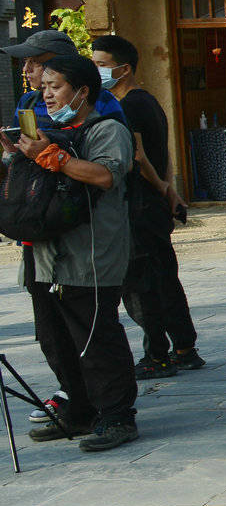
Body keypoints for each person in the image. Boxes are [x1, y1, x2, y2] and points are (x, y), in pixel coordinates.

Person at [17, 53, 140, 451]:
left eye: (55, 87)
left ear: (83, 91)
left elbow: (104, 174)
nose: (46, 95)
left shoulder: (106, 130)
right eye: (44, 88)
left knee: (94, 337)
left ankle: (117, 415)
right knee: (55, 338)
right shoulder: (48, 133)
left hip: (91, 254)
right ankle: (81, 408)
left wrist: (54, 158)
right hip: (46, 255)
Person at [89, 35, 201, 380]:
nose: (96, 71)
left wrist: (162, 187)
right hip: (153, 204)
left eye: (100, 64)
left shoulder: (129, 105)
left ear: (123, 69)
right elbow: (162, 153)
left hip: (139, 205)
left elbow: (139, 155)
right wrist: (169, 191)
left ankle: (158, 355)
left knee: (141, 284)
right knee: (165, 277)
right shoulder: (148, 100)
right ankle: (184, 347)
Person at [5, 29, 125, 130]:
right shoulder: (28, 102)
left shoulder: (101, 100)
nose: (26, 69)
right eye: (26, 61)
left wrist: (57, 157)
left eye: (35, 61)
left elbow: (120, 149)